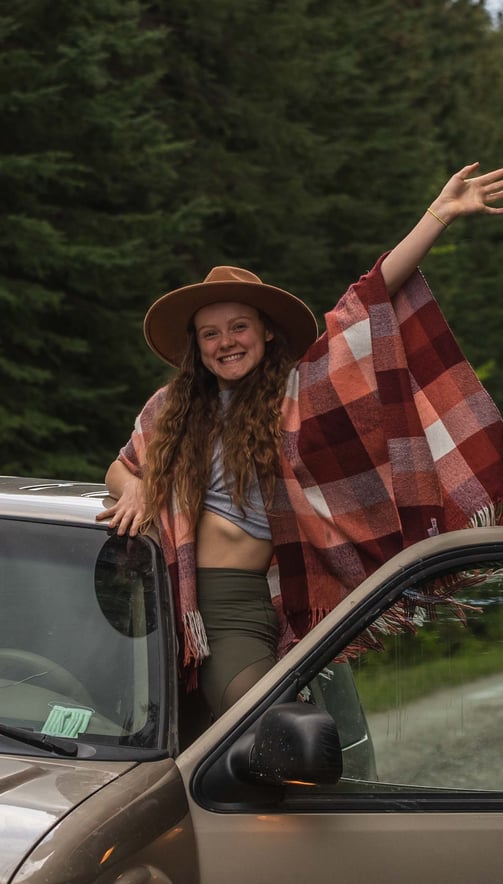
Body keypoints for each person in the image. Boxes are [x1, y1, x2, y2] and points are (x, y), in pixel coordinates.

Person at [97, 162, 503, 720]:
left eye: (238, 326)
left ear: (266, 329)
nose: (226, 343)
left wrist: (438, 216)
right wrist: (136, 488)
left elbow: (365, 304)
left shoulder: (296, 396)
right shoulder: (169, 410)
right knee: (260, 735)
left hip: (261, 603)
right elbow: (119, 469)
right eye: (210, 333)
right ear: (197, 346)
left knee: (274, 744)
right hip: (190, 602)